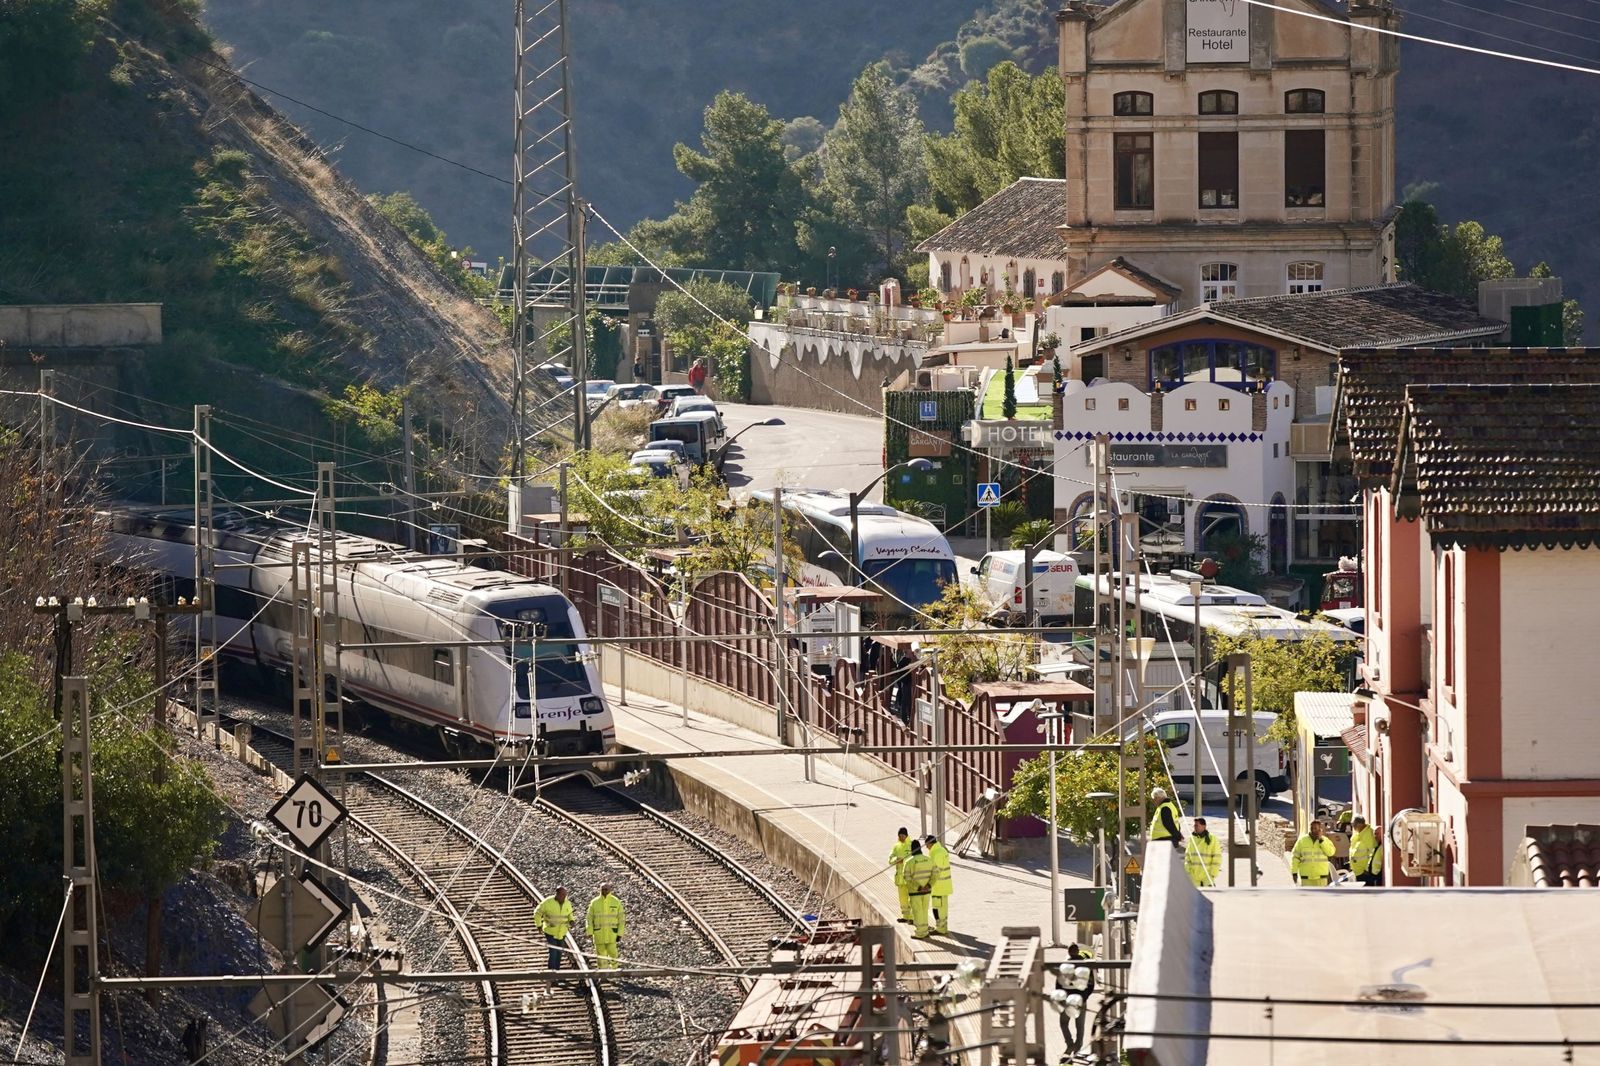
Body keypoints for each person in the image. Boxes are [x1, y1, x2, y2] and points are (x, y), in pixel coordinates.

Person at [1058, 943, 1096, 1059]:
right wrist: (1085, 997)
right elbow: (1091, 985)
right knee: (1080, 1026)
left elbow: (1059, 984)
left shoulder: (1064, 965)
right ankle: (1077, 1049)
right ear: (1078, 952)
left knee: (1064, 1023)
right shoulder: (1085, 965)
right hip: (1081, 1000)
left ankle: (1070, 1045)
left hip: (1068, 1000)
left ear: (1069, 952)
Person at [585, 882, 625, 969]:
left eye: (606, 889)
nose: (604, 891)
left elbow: (621, 919)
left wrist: (620, 934)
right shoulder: (594, 902)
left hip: (612, 934)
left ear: (610, 889)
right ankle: (603, 973)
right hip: (599, 934)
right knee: (601, 956)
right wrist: (589, 932)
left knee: (613, 954)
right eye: (602, 889)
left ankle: (614, 970)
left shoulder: (616, 901)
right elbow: (589, 919)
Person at [903, 839, 936, 939]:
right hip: (927, 891)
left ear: (912, 849)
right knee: (924, 911)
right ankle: (925, 931)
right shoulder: (929, 860)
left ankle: (920, 933)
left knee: (917, 912)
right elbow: (936, 873)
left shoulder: (909, 862)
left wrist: (918, 887)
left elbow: (907, 878)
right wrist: (929, 885)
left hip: (915, 892)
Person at [535, 886, 574, 968]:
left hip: (562, 932)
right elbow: (537, 913)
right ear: (557, 894)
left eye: (565, 895)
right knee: (553, 951)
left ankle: (557, 971)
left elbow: (570, 913)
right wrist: (539, 925)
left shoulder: (567, 903)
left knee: (559, 952)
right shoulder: (548, 902)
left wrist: (571, 920)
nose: (564, 897)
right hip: (550, 931)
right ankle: (552, 972)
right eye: (562, 895)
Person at [1291, 820, 1337, 887]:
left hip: (1321, 877)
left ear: (1320, 829)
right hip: (1306, 878)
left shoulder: (1325, 840)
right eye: (1312, 828)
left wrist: (1321, 841)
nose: (1313, 830)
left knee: (1320, 897)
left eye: (1316, 828)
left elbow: (1331, 852)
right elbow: (1295, 857)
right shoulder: (1302, 841)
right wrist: (1294, 873)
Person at [924, 833, 952, 935]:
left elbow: (936, 871)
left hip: (939, 886)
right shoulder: (939, 850)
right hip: (942, 886)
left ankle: (940, 928)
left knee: (938, 908)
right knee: (942, 907)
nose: (927, 848)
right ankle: (942, 927)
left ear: (930, 844)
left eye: (927, 845)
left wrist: (929, 883)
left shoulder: (937, 853)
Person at [1184, 816, 1222, 887]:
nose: (1195, 827)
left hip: (1207, 876)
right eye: (1194, 825)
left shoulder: (1212, 839)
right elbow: (1187, 856)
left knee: (1210, 896)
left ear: (1204, 826)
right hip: (1194, 877)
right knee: (1194, 898)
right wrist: (1188, 871)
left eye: (1197, 825)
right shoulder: (1192, 839)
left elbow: (1217, 857)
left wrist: (1213, 873)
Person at [1348, 816, 1384, 887]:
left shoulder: (1368, 834)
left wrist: (1367, 870)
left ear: (1359, 824)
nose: (1353, 827)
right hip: (1357, 872)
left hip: (1364, 873)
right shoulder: (1358, 835)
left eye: (1353, 825)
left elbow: (1372, 853)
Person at [889, 827, 913, 924]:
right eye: (900, 835)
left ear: (906, 835)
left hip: (910, 877)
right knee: (903, 899)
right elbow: (890, 859)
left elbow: (916, 857)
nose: (901, 837)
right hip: (900, 878)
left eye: (903, 835)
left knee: (911, 898)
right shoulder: (896, 846)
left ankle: (912, 917)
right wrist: (896, 859)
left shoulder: (911, 845)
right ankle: (905, 916)